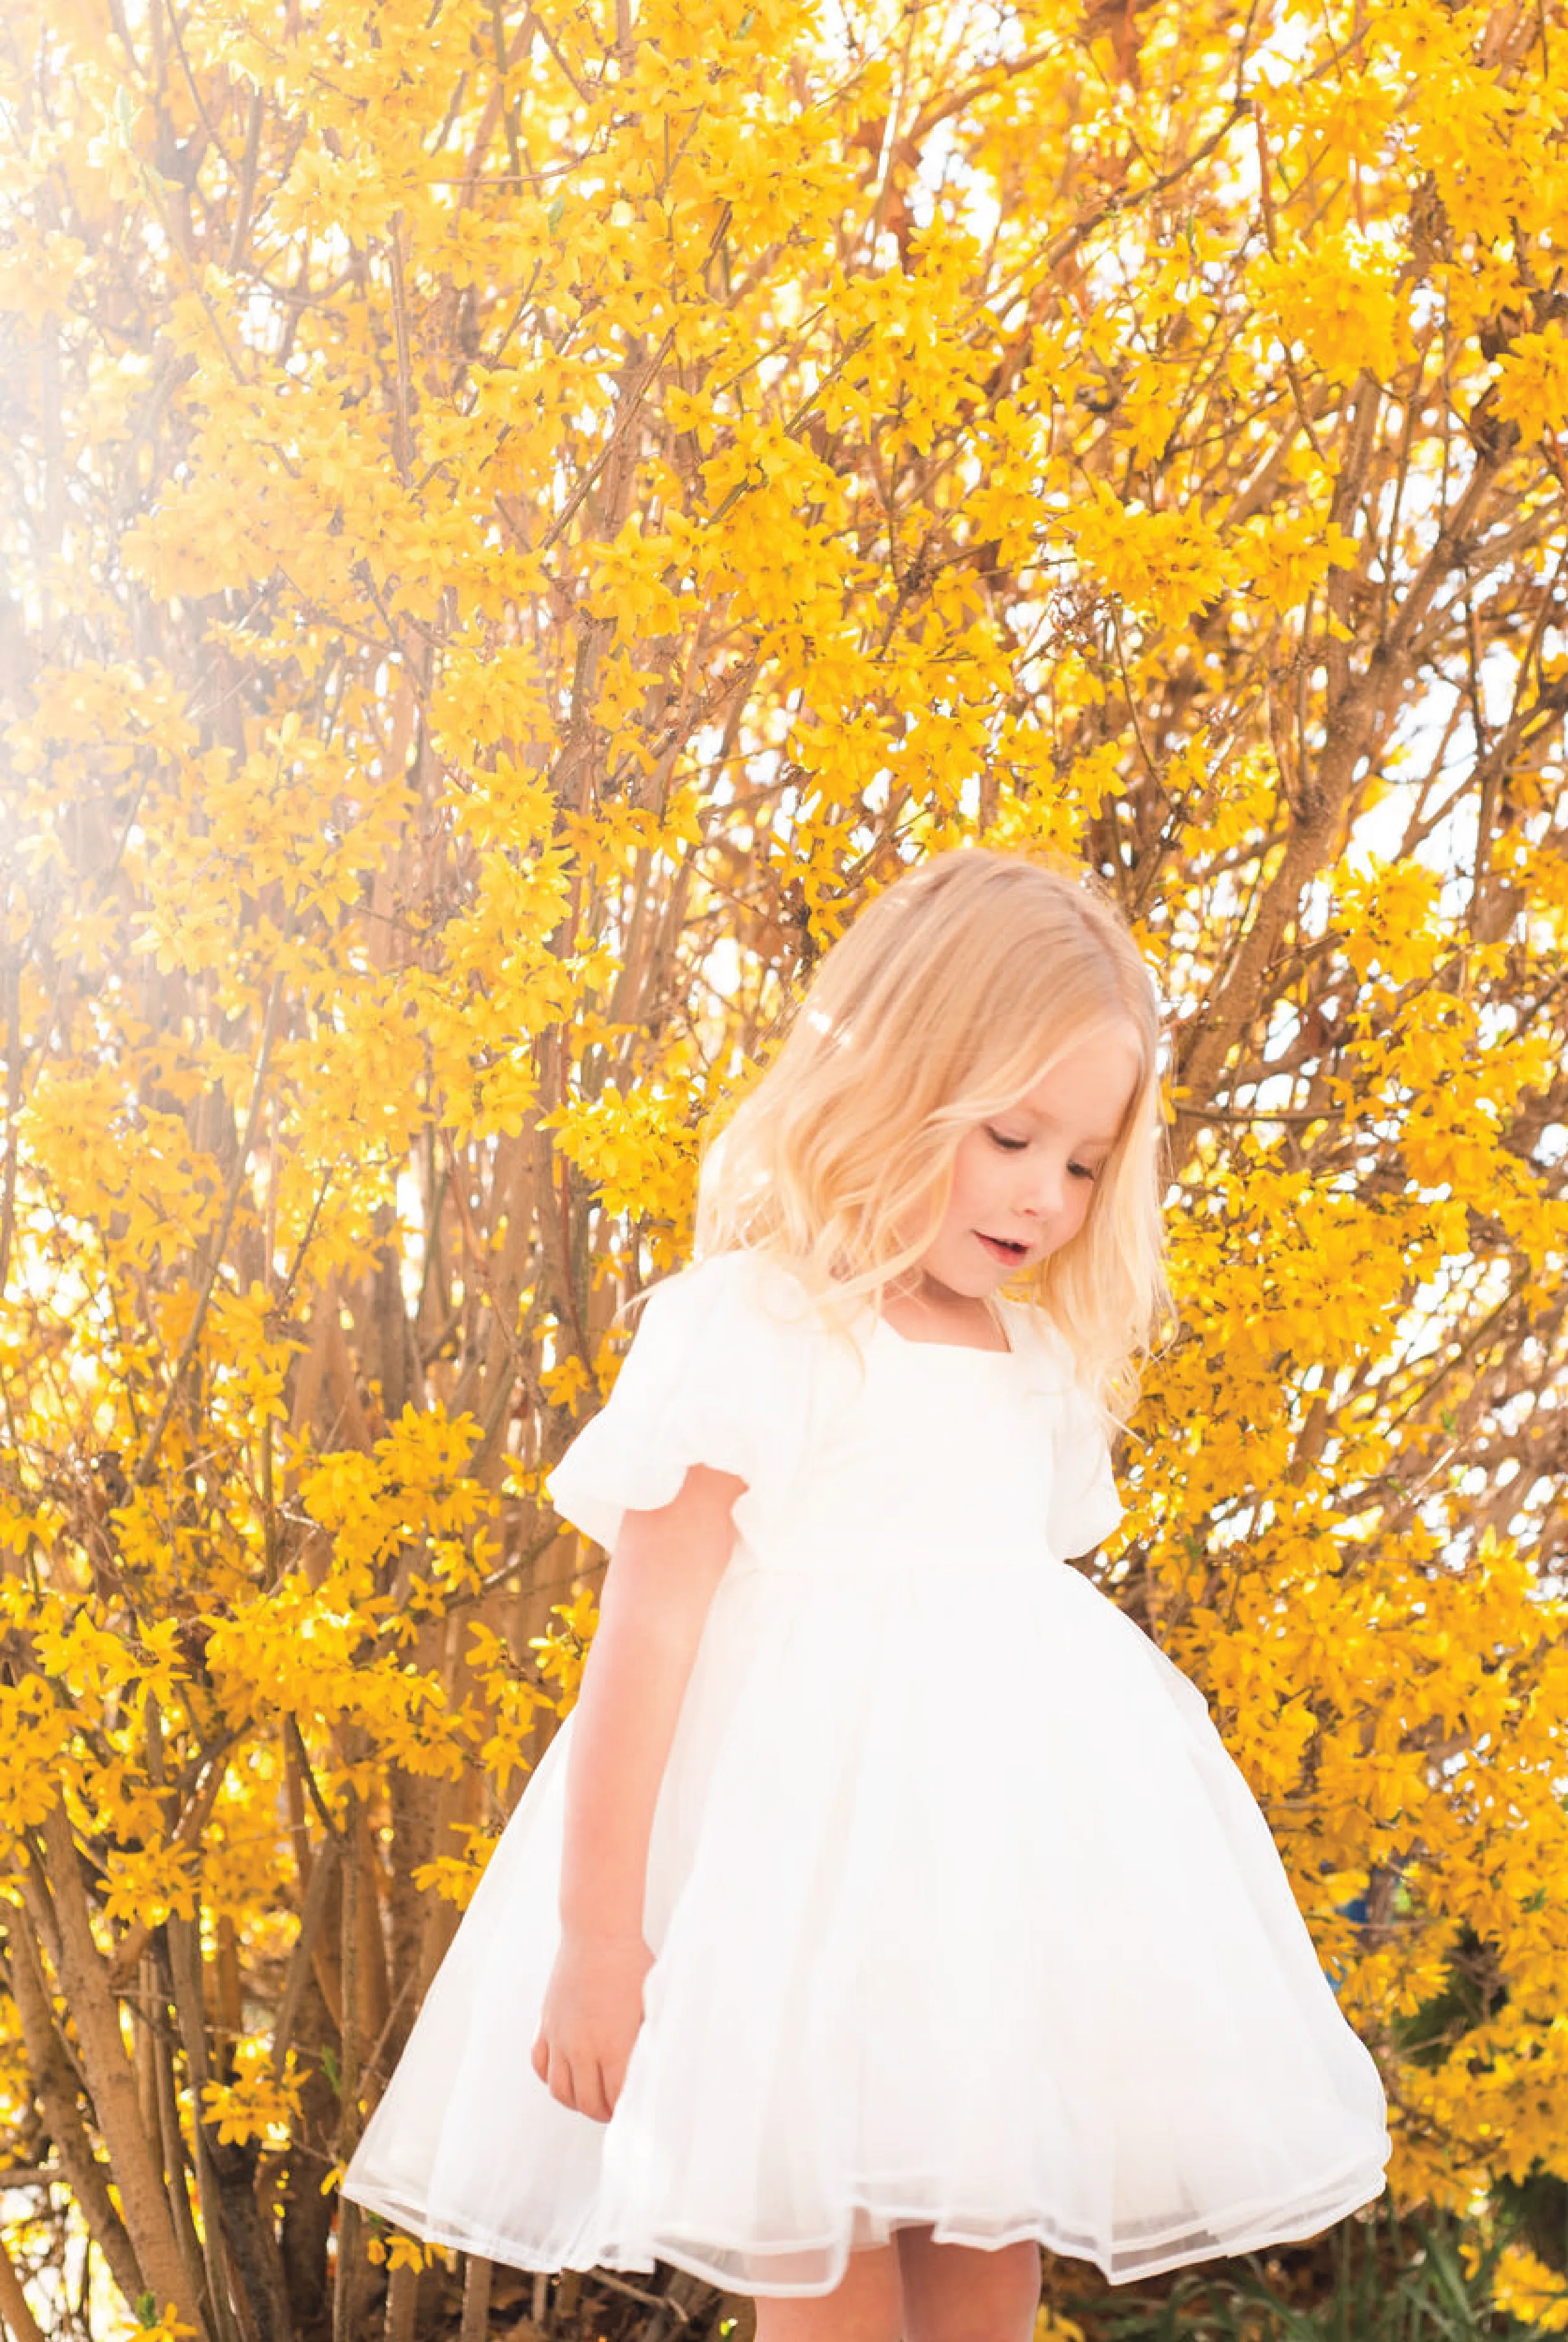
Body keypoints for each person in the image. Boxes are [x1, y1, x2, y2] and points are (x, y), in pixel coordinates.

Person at [340, 845, 1392, 2342]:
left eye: (1084, 1164)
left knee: (989, 2272)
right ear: (899, 1081)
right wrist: (597, 1932)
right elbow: (645, 1634)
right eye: (1012, 1136)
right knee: (821, 2265)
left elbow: (1019, 1660)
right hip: (793, 1914)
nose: (1044, 1194)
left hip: (989, 1911)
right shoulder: (755, 1327)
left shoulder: (1039, 1371)